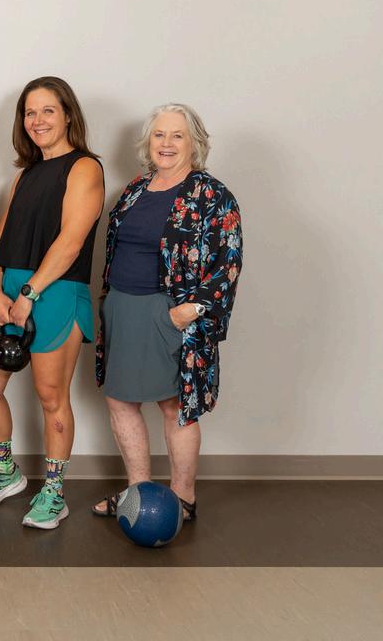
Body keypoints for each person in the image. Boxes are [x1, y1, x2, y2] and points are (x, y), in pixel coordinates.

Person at [91, 103, 243, 522]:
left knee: (175, 406)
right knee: (121, 400)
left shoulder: (212, 195)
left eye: (177, 135)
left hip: (171, 312)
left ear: (195, 143)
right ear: (148, 142)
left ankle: (182, 499)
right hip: (123, 306)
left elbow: (228, 265)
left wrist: (186, 312)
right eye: (159, 134)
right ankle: (138, 494)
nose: (167, 143)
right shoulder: (136, 189)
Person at [0, 76, 104, 530]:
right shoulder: (24, 175)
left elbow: (71, 241)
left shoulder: (85, 168)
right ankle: (5, 472)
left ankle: (54, 492)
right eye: (30, 112)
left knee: (50, 395)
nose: (38, 120)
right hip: (9, 289)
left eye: (48, 110)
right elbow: (3, 235)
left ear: (68, 115)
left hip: (57, 289)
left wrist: (29, 295)